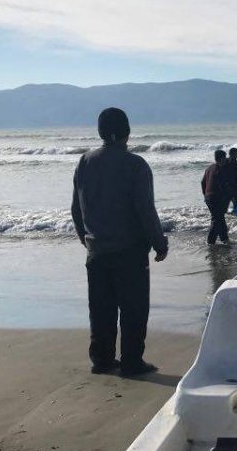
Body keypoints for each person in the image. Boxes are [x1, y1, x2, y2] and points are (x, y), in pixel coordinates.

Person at [71, 107, 168, 377]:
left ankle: (102, 359)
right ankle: (131, 362)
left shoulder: (85, 162)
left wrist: (85, 238)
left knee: (101, 309)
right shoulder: (135, 165)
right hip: (130, 251)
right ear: (127, 132)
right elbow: (145, 210)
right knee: (133, 309)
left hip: (97, 250)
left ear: (101, 132)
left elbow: (76, 208)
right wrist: (159, 244)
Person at [201, 149, 232, 245]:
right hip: (216, 197)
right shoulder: (219, 169)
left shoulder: (209, 168)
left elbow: (202, 182)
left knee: (219, 218)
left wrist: (205, 195)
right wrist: (227, 197)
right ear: (221, 158)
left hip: (208, 197)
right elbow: (221, 185)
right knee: (217, 220)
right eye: (225, 157)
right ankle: (210, 242)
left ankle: (224, 239)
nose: (226, 159)